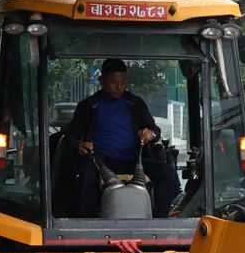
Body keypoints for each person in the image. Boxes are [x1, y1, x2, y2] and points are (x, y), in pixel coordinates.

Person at [68, 58, 180, 217]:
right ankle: (87, 224)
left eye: (122, 82)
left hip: (133, 162)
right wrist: (78, 145)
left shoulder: (135, 103)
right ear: (102, 81)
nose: (118, 87)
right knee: (85, 178)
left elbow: (155, 129)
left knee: (167, 174)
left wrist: (150, 134)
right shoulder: (89, 105)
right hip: (99, 163)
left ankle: (159, 219)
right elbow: (71, 134)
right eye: (113, 82)